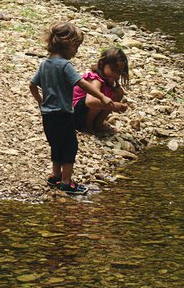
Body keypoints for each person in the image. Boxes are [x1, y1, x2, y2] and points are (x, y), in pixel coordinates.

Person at [29, 21, 120, 195]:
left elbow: (32, 85)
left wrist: (41, 103)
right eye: (76, 47)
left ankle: (55, 176)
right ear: (67, 45)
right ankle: (66, 182)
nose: (76, 51)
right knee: (70, 145)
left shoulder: (44, 64)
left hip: (48, 114)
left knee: (56, 144)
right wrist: (102, 96)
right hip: (63, 113)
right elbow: (81, 83)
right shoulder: (65, 65)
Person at [72, 47, 130, 136]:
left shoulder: (107, 79)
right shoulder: (95, 79)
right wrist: (114, 106)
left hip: (85, 111)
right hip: (73, 114)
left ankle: (98, 123)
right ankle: (88, 125)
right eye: (114, 70)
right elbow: (90, 101)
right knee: (99, 98)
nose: (116, 75)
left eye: (119, 72)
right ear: (102, 64)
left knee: (118, 92)